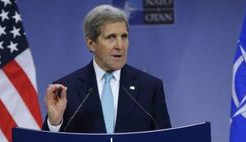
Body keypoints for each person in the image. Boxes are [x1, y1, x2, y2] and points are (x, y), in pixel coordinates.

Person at [42, 4, 171, 133]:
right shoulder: (67, 89)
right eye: (111, 37)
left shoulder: (149, 88)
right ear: (91, 43)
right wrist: (54, 123)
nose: (120, 45)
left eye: (124, 37)